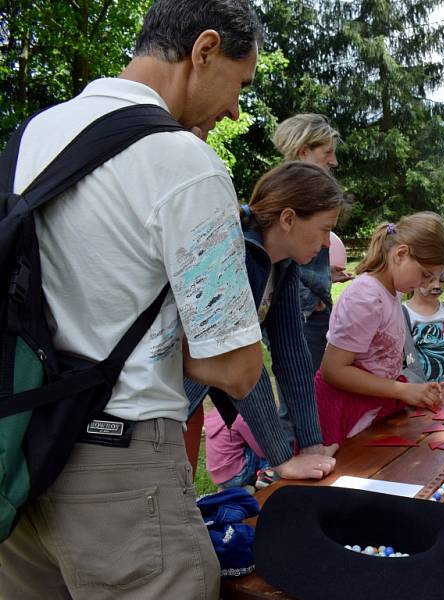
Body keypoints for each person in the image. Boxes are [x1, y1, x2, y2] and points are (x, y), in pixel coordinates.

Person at [0, 2, 266, 598]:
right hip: (118, 472)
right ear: (204, 50)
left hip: (17, 453)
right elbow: (236, 369)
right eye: (238, 84)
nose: (234, 110)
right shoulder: (185, 164)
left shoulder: (34, 135)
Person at [187, 161, 342, 485]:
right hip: (163, 401)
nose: (328, 242)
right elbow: (240, 362)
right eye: (325, 228)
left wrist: (311, 445)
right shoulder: (236, 255)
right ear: (288, 219)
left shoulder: (283, 264)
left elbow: (292, 357)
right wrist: (283, 459)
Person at [316, 212, 444, 450]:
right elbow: (333, 370)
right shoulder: (366, 297)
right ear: (400, 254)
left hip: (372, 402)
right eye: (424, 275)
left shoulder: (392, 290)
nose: (426, 284)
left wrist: (413, 389)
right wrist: (401, 389)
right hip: (345, 410)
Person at [271, 113, 350, 371]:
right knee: (302, 397)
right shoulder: (288, 196)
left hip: (314, 311)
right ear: (304, 151)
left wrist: (323, 275)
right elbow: (273, 262)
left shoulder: (304, 192)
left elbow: (294, 260)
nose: (334, 161)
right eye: (327, 152)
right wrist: (309, 299)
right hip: (301, 316)